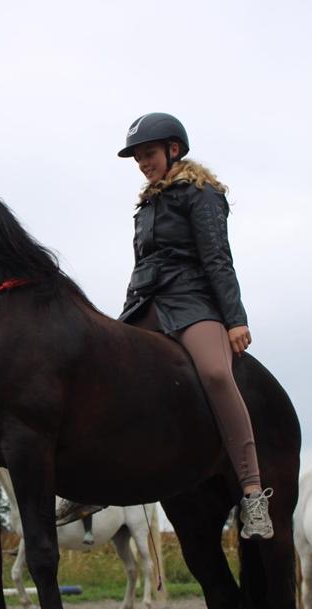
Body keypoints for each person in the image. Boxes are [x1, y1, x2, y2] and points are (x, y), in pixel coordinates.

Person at [116, 111, 273, 540]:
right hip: (146, 303)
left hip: (192, 301)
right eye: (137, 157)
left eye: (148, 153)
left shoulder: (200, 193)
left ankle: (253, 494)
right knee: (103, 365)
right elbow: (143, 264)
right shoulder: (146, 205)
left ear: (173, 149)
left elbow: (217, 258)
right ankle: (99, 482)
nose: (142, 162)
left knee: (217, 374)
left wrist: (234, 319)